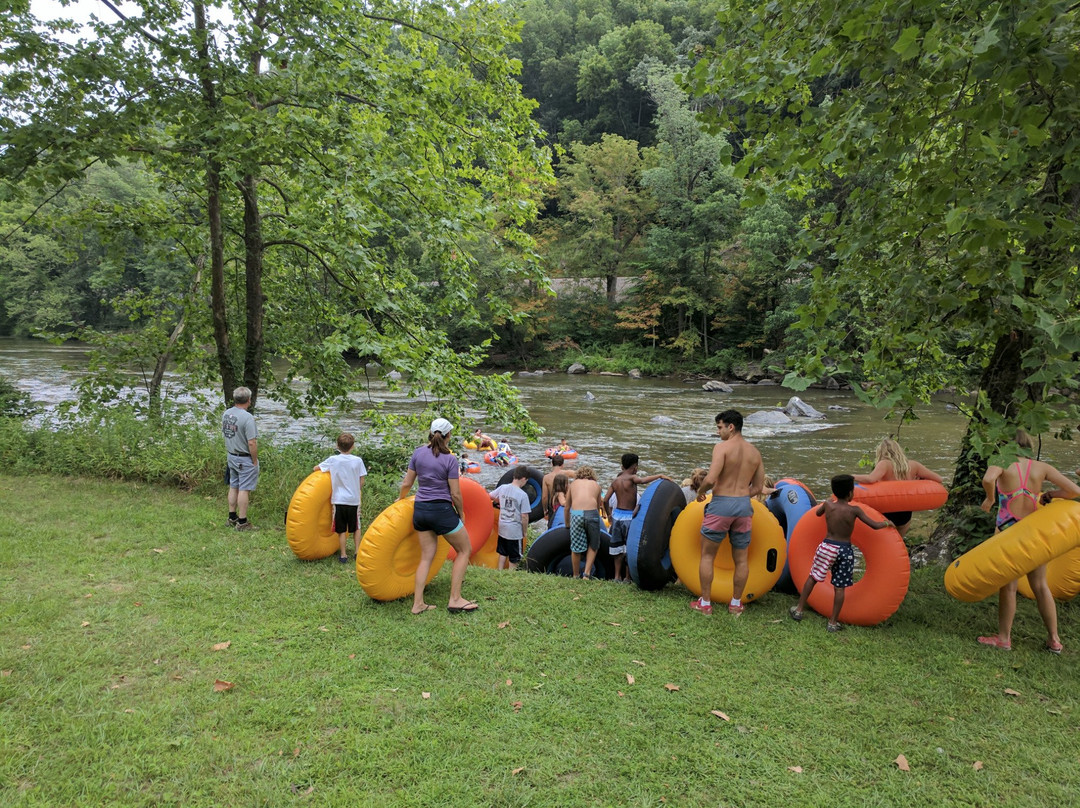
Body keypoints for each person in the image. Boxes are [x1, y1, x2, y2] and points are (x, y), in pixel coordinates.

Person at [976, 429, 1080, 654]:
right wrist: (1051, 494)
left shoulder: (1003, 460)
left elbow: (988, 478)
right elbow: (1074, 491)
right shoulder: (1042, 468)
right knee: (1041, 585)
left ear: (1007, 444)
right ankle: (1054, 640)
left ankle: (1004, 638)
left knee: (1009, 586)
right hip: (1034, 534)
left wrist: (990, 498)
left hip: (1008, 531)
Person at [788, 474, 892, 632]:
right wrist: (886, 523)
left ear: (834, 492)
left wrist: (826, 505)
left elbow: (817, 514)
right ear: (850, 493)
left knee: (813, 577)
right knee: (839, 587)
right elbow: (874, 525)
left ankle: (799, 610)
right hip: (844, 550)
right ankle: (833, 622)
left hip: (827, 547)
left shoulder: (828, 505)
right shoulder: (854, 510)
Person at [399, 418, 477, 615]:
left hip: (421, 510)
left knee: (426, 556)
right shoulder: (450, 459)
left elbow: (407, 483)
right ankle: (455, 599)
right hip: (441, 511)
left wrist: (400, 500)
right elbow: (455, 494)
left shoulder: (418, 453)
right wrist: (461, 513)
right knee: (464, 550)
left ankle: (418, 603)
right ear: (448, 435)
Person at [691, 410, 765, 616]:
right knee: (741, 559)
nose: (718, 431)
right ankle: (735, 604)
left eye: (719, 427)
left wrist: (701, 491)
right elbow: (758, 487)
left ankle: (705, 604)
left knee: (707, 555)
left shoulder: (722, 448)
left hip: (721, 504)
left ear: (731, 427)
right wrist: (741, 496)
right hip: (743, 507)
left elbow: (712, 478)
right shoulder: (755, 453)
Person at [853, 437, 943, 538]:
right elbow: (939, 479)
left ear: (881, 452)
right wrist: (917, 482)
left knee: (883, 542)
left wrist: (851, 476)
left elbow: (871, 479)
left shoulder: (884, 464)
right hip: (905, 513)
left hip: (887, 511)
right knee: (898, 541)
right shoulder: (913, 465)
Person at [604, 453, 671, 583]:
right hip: (630, 517)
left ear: (623, 466)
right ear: (634, 466)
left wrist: (609, 515)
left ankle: (617, 576)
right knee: (629, 547)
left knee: (617, 547)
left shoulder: (616, 481)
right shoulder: (633, 478)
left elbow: (606, 500)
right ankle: (627, 577)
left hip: (617, 516)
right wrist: (660, 476)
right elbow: (643, 480)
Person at [314, 432, 367, 563]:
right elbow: (362, 480)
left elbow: (316, 468)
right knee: (356, 527)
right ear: (353, 446)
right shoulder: (358, 460)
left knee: (341, 528)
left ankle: (343, 555)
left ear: (337, 446)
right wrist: (356, 490)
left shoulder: (333, 460)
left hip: (338, 500)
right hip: (354, 500)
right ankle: (357, 551)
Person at [222, 386, 259, 530]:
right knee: (244, 489)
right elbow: (252, 442)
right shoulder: (247, 418)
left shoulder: (226, 414)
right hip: (244, 458)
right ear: (249, 400)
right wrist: (254, 460)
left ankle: (232, 517)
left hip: (231, 455)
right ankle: (242, 522)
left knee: (233, 486)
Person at [565, 465, 605, 579]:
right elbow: (597, 507)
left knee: (576, 547)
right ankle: (586, 574)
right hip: (592, 514)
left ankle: (575, 574)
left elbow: (567, 507)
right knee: (593, 545)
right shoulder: (596, 485)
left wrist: (567, 523)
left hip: (576, 515)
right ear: (592, 476)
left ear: (578, 475)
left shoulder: (573, 484)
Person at [489, 466, 532, 570]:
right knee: (514, 557)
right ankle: (511, 575)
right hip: (514, 531)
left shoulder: (503, 488)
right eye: (526, 481)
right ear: (523, 479)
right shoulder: (522, 495)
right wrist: (524, 532)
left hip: (502, 526)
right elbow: (524, 516)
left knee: (503, 553)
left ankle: (499, 572)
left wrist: (498, 501)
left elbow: (490, 496)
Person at [542, 455, 576, 522]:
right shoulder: (567, 473)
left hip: (553, 504)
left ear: (552, 464)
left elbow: (544, 497)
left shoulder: (546, 478)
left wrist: (545, 510)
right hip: (566, 503)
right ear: (562, 464)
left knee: (552, 523)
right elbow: (581, 475)